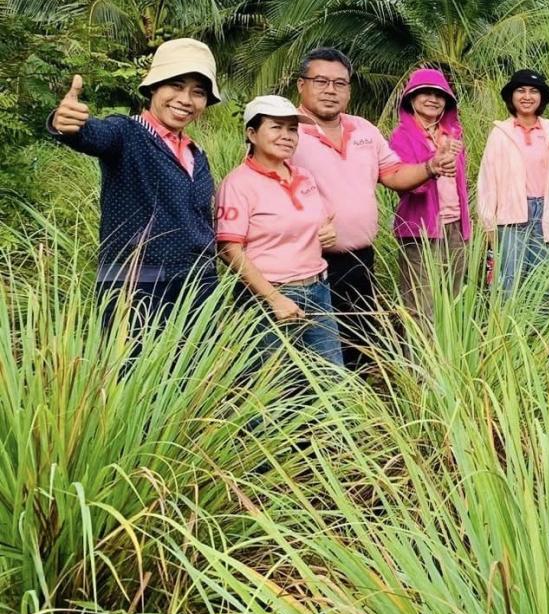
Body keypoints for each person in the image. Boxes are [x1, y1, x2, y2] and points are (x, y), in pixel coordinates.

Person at [48, 38, 221, 328]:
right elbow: (94, 135)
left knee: (196, 372)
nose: (186, 100)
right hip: (137, 287)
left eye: (198, 92)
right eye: (176, 86)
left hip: (197, 285)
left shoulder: (197, 153)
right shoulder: (127, 134)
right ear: (154, 87)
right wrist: (66, 124)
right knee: (132, 370)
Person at [289, 48, 436, 367]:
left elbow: (394, 174)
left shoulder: (364, 130)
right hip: (310, 261)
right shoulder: (287, 131)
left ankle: (356, 405)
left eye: (340, 83)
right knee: (316, 346)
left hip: (360, 259)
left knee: (358, 342)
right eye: (321, 81)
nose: (331, 90)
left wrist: (430, 167)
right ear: (302, 85)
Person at [215, 96, 342, 366]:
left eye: (292, 129)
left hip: (318, 287)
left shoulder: (304, 176)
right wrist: (274, 299)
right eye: (276, 127)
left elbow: (317, 221)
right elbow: (228, 248)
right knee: (276, 386)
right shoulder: (238, 184)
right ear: (252, 133)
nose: (287, 136)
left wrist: (327, 231)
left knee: (333, 377)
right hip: (269, 295)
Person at [476, 69, 549, 294]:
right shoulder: (500, 133)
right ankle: (505, 325)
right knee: (509, 277)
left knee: (541, 278)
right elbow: (487, 180)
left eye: (534, 91)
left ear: (541, 98)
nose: (527, 96)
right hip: (511, 213)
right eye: (521, 90)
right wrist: (488, 222)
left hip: (545, 211)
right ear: (511, 97)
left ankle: (540, 328)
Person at [387, 68, 470, 324]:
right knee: (421, 305)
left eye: (439, 94)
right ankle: (419, 363)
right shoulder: (401, 136)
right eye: (425, 93)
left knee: (454, 299)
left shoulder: (453, 134)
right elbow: (407, 185)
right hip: (420, 230)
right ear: (411, 99)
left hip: (454, 225)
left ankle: (451, 358)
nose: (433, 99)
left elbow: (459, 185)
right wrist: (433, 161)